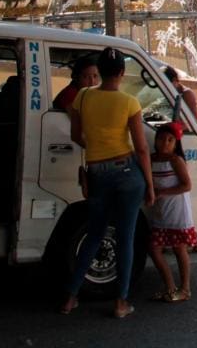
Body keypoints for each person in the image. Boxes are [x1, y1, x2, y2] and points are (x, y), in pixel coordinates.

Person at [61, 47, 155, 319]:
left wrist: (97, 148)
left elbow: (76, 135)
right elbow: (141, 149)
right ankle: (121, 302)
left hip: (97, 173)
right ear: (122, 74)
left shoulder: (83, 96)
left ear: (99, 71)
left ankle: (70, 298)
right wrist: (149, 184)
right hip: (126, 171)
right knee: (125, 238)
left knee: (94, 234)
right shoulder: (129, 102)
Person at [147, 122, 197, 302]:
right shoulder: (151, 159)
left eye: (170, 140)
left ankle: (185, 288)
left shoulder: (176, 161)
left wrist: (162, 193)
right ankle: (170, 286)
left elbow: (186, 185)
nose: (165, 143)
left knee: (179, 249)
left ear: (176, 143)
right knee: (154, 249)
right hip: (159, 213)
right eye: (161, 138)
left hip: (177, 213)